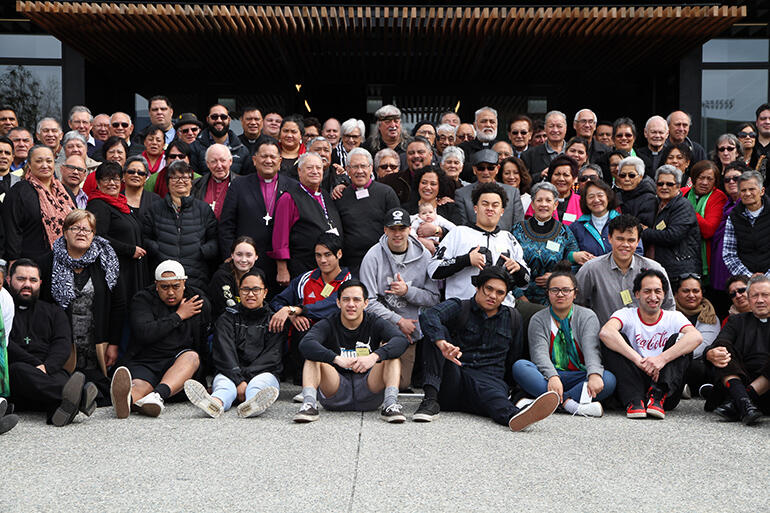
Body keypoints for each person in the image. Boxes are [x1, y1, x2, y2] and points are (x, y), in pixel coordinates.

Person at [415, 266, 559, 430]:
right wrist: (441, 342)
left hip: (488, 383)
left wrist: (513, 391)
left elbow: (513, 358)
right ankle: (429, 401)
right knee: (435, 333)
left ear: (505, 296)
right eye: (488, 289)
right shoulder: (460, 306)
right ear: (478, 287)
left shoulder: (513, 318)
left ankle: (516, 416)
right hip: (454, 379)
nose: (492, 296)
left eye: (500, 293)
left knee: (493, 396)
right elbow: (429, 315)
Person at [38, 209, 124, 405]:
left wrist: (114, 343)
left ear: (94, 234)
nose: (81, 233)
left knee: (101, 389)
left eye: (87, 229)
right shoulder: (47, 262)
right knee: (66, 382)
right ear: (64, 231)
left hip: (96, 342)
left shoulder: (107, 261)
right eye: (75, 227)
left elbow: (119, 304)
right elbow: (41, 307)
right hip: (62, 344)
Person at [293, 280, 408, 423]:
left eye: (357, 300)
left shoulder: (374, 321)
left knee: (392, 357)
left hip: (369, 389)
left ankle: (390, 405)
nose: (351, 304)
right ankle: (309, 404)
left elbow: (401, 340)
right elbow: (306, 344)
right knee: (312, 357)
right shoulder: (329, 322)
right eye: (346, 300)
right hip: (335, 390)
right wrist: (336, 358)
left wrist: (374, 356)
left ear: (365, 303)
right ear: (338, 303)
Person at [109, 260, 210, 418]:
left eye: (175, 286)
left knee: (192, 356)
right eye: (165, 287)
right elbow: (145, 333)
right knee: (139, 386)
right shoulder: (142, 299)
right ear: (156, 285)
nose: (170, 292)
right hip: (146, 360)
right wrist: (179, 316)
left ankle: (156, 397)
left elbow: (203, 341)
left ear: (184, 283)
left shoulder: (197, 301)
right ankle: (128, 402)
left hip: (179, 365)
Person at [6, 259, 98, 426]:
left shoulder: (53, 311)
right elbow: (5, 344)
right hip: (17, 377)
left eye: (33, 280)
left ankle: (60, 412)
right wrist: (36, 365)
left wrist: (47, 367)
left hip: (49, 370)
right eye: (21, 279)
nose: (27, 284)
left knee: (62, 377)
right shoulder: (3, 309)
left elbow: (62, 344)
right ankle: (80, 398)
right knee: (18, 370)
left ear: (40, 283)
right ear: (8, 280)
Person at [599, 269, 702, 419]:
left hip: (665, 389)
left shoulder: (674, 317)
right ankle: (634, 399)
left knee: (681, 339)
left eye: (658, 291)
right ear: (637, 294)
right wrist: (638, 360)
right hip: (632, 383)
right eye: (647, 291)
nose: (653, 297)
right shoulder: (626, 314)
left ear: (664, 294)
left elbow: (696, 337)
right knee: (613, 340)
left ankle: (657, 396)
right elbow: (606, 333)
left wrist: (661, 360)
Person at [512, 269, 616, 417]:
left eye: (566, 290)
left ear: (575, 293)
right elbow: (539, 355)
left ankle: (543, 403)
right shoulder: (538, 319)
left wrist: (593, 374)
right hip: (548, 377)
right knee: (520, 366)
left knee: (608, 379)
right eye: (555, 290)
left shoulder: (587, 316)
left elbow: (591, 350)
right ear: (547, 292)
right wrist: (553, 377)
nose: (560, 294)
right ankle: (572, 405)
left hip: (579, 375)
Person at [359, 207, 440, 390]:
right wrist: (397, 321)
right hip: (378, 327)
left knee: (401, 384)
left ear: (409, 229)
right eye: (392, 229)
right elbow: (367, 301)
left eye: (401, 229)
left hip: (410, 331)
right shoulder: (373, 256)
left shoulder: (424, 256)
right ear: (385, 230)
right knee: (375, 384)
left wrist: (407, 292)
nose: (397, 234)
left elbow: (434, 298)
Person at [184, 268, 281, 419]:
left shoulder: (274, 320)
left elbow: (273, 356)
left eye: (256, 289)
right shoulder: (227, 317)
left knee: (258, 386)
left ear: (265, 292)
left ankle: (252, 404)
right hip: (230, 372)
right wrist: (238, 380)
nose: (250, 294)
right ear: (239, 291)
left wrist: (245, 380)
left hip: (263, 373)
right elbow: (224, 352)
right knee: (224, 387)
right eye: (245, 289)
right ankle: (214, 404)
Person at [429, 181, 529, 307]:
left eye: (495, 205)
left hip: (501, 312)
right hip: (462, 309)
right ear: (475, 208)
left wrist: (518, 269)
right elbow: (433, 270)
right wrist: (466, 260)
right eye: (485, 204)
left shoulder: (509, 238)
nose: (490, 208)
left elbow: (526, 281)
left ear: (502, 210)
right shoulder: (458, 233)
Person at [269, 233, 351, 384]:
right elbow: (277, 301)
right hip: (305, 339)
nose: (322, 260)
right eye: (318, 255)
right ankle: (297, 374)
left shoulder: (349, 280)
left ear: (339, 254)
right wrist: (291, 314)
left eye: (327, 255)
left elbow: (333, 304)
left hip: (337, 338)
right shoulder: (305, 279)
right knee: (298, 325)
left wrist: (298, 309)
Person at [218, 137, 293, 296]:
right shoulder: (239, 185)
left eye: (273, 157)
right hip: (245, 262)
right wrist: (229, 256)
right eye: (264, 156)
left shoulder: (292, 186)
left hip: (281, 265)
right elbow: (226, 225)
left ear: (280, 161)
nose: (268, 160)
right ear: (254, 160)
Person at [576, 214, 674, 325]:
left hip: (646, 338)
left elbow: (668, 306)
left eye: (631, 240)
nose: (625, 245)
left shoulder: (654, 269)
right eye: (620, 239)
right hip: (605, 337)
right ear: (609, 238)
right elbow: (576, 304)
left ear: (638, 242)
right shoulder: (592, 269)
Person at [704, 274, 770, 424]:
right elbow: (720, 342)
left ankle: (741, 402)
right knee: (722, 348)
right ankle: (744, 402)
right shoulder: (737, 320)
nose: (759, 300)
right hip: (738, 380)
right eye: (754, 296)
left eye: (765, 295)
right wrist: (710, 353)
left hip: (767, 391)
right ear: (749, 298)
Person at [142, 161, 219, 290]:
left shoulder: (203, 209)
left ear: (191, 182)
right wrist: (156, 249)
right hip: (164, 276)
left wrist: (204, 251)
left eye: (185, 177)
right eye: (175, 177)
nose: (180, 181)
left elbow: (215, 238)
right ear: (168, 182)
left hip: (196, 274)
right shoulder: (155, 209)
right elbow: (144, 237)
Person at [269, 152, 343, 285]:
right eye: (309, 168)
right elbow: (280, 235)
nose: (315, 171)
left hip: (328, 267)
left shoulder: (325, 195)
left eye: (318, 168)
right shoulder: (289, 197)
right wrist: (282, 268)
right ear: (299, 171)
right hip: (302, 266)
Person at [512, 182, 586, 305]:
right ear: (533, 204)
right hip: (520, 302)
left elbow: (575, 267)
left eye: (548, 200)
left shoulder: (565, 233)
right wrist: (519, 296)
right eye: (539, 200)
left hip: (555, 300)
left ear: (555, 204)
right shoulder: (517, 230)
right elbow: (508, 264)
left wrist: (556, 278)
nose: (544, 204)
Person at [87, 161, 149, 304]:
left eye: (115, 179)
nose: (112, 183)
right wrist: (129, 250)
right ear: (98, 182)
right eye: (106, 179)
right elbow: (97, 237)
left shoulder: (121, 204)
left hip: (131, 268)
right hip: (117, 271)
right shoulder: (98, 204)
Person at [333, 148, 400, 273]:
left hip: (382, 261)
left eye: (363, 166)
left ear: (371, 168)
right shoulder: (340, 196)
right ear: (347, 170)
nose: (359, 171)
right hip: (351, 264)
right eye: (354, 167)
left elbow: (397, 227)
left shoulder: (386, 193)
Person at [4, 145, 75, 261]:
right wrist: (13, 259)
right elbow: (12, 230)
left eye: (49, 161)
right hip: (30, 262)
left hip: (65, 261)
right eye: (39, 161)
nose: (45, 165)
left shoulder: (65, 192)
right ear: (30, 165)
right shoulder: (19, 191)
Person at [673, 274, 720, 398]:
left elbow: (702, 346)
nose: (691, 295)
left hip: (689, 362)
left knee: (698, 367)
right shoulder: (667, 313)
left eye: (696, 291)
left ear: (702, 293)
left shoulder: (710, 315)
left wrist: (669, 355)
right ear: (676, 294)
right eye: (686, 291)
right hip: (667, 361)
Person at [454, 149, 524, 231]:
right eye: (481, 168)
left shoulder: (512, 193)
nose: (486, 172)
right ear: (474, 170)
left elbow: (519, 226)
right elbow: (462, 228)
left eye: (490, 168)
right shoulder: (462, 194)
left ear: (497, 168)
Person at [680, 161, 727, 282]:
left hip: (707, 256)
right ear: (694, 178)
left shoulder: (718, 197)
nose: (705, 182)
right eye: (701, 178)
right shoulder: (682, 193)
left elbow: (708, 230)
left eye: (709, 179)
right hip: (681, 255)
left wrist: (686, 209)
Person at [722, 170, 770, 278]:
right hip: (745, 281)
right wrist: (748, 277)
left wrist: (766, 279)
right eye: (743, 190)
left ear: (762, 191)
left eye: (752, 189)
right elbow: (729, 254)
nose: (747, 193)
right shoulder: (734, 216)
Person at [570, 177, 633, 258]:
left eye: (600, 195)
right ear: (585, 201)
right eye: (591, 196)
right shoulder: (577, 227)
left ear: (608, 197)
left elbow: (637, 251)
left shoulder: (625, 222)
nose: (596, 200)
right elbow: (567, 252)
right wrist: (574, 256)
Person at [403, 166, 461, 253]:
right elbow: (398, 233)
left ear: (439, 186)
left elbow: (459, 233)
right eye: (424, 182)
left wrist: (438, 231)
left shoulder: (450, 208)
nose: (428, 187)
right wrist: (420, 241)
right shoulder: (406, 209)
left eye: (433, 184)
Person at [190, 104, 250, 176]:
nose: (219, 120)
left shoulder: (242, 150)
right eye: (214, 117)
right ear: (208, 119)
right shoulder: (194, 147)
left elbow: (247, 181)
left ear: (229, 120)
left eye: (223, 117)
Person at [208, 236, 259, 319]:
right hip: (226, 324)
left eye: (249, 255)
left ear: (256, 256)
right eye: (239, 254)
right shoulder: (221, 277)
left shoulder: (258, 275)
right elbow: (229, 309)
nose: (243, 260)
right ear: (232, 255)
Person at [525, 155, 582, 226]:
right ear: (550, 177)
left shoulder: (581, 202)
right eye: (557, 174)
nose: (561, 179)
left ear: (574, 179)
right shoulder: (539, 200)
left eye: (566, 175)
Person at [191, 143, 241, 220]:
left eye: (222, 160)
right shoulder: (196, 185)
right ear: (207, 164)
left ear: (230, 161)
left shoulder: (242, 184)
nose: (219, 166)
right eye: (213, 161)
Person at [521, 110, 567, 179]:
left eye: (559, 126)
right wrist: (540, 176)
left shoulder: (575, 152)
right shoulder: (529, 155)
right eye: (551, 126)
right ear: (545, 128)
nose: (555, 130)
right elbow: (523, 181)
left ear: (565, 128)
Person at [614, 155, 656, 227]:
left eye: (631, 175)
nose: (626, 179)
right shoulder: (616, 195)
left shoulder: (649, 199)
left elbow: (641, 227)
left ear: (641, 176)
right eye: (622, 175)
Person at [122, 155, 160, 223]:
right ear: (124, 176)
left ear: (146, 178)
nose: (136, 175)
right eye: (131, 172)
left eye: (141, 173)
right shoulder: (116, 199)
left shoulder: (155, 200)